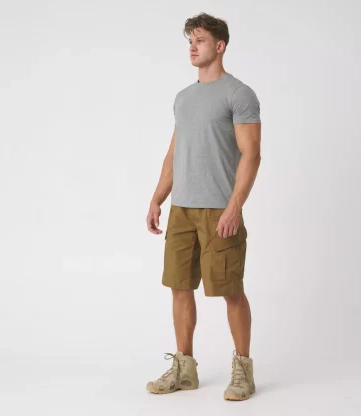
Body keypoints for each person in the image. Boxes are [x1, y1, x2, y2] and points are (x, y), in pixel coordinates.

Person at [145, 12, 261, 401]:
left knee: (231, 290)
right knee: (179, 287)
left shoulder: (238, 94)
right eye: (190, 42)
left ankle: (243, 371)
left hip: (219, 210)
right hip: (181, 209)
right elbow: (174, 153)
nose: (193, 48)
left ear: (220, 46)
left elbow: (251, 154)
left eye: (200, 41)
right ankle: (184, 369)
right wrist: (157, 197)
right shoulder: (184, 97)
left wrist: (234, 206)